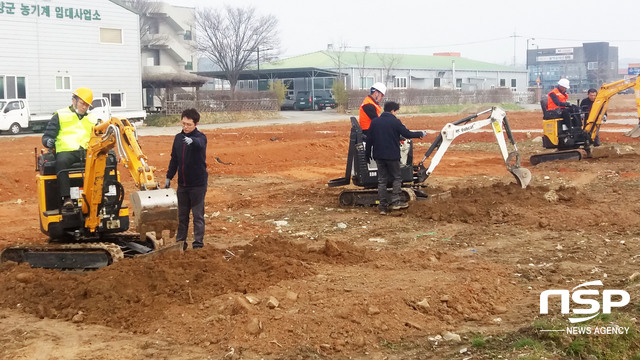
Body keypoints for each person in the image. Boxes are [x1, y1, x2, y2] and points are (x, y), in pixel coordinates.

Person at [365, 101, 426, 215]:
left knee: (382, 180)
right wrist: (421, 133)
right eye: (396, 111)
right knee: (397, 178)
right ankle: (396, 202)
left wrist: (367, 154)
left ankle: (382, 207)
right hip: (392, 156)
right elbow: (407, 134)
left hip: (379, 156)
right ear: (393, 110)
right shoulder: (395, 122)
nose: (396, 114)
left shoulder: (375, 122)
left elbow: (369, 140)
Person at [41, 87, 98, 210]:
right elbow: (48, 135)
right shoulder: (60, 115)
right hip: (67, 152)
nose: (84, 107)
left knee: (105, 160)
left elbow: (99, 135)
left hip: (87, 151)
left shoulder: (93, 119)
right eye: (82, 103)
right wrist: (48, 141)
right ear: (74, 101)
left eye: (87, 105)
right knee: (61, 163)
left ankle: (101, 194)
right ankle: (67, 198)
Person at [165, 108, 208, 250]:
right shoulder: (178, 138)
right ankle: (180, 243)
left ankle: (198, 245)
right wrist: (169, 176)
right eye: (183, 124)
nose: (185, 127)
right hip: (183, 185)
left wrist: (193, 141)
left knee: (198, 216)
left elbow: (200, 143)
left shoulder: (200, 137)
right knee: (182, 216)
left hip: (197, 185)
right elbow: (174, 159)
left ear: (196, 124)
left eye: (189, 124)